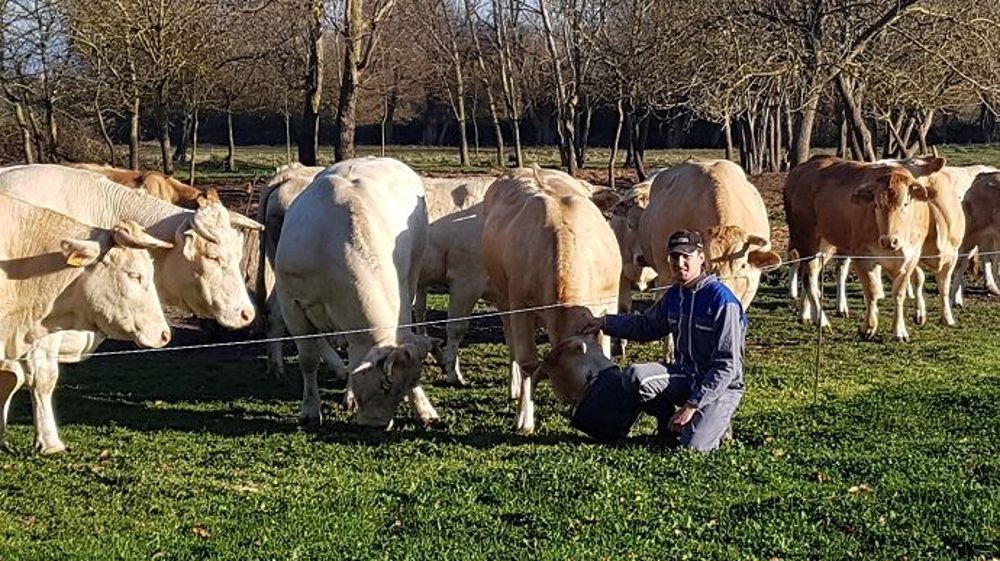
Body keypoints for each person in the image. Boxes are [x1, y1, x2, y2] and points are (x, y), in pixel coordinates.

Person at [577, 229, 747, 452]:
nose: (679, 263)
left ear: (701, 258)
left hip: (721, 387)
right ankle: (667, 422)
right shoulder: (676, 294)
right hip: (686, 375)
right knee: (635, 376)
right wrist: (605, 323)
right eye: (674, 256)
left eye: (686, 256)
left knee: (693, 448)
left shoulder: (723, 302)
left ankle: (715, 420)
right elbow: (647, 326)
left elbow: (727, 366)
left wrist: (692, 405)